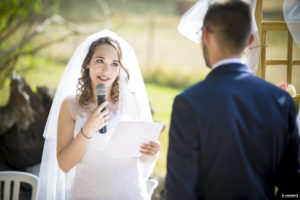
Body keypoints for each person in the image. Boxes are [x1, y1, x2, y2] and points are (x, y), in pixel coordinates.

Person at [166, 1, 300, 199]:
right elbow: (291, 184)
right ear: (250, 40)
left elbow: (179, 189)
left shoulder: (188, 103)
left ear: (205, 35)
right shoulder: (280, 101)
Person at [36, 30, 160, 200]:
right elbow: (64, 165)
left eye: (115, 64)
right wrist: (87, 129)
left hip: (130, 193)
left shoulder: (131, 101)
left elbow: (143, 161)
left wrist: (151, 154)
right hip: (87, 194)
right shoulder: (71, 105)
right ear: (87, 63)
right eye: (100, 61)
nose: (106, 70)